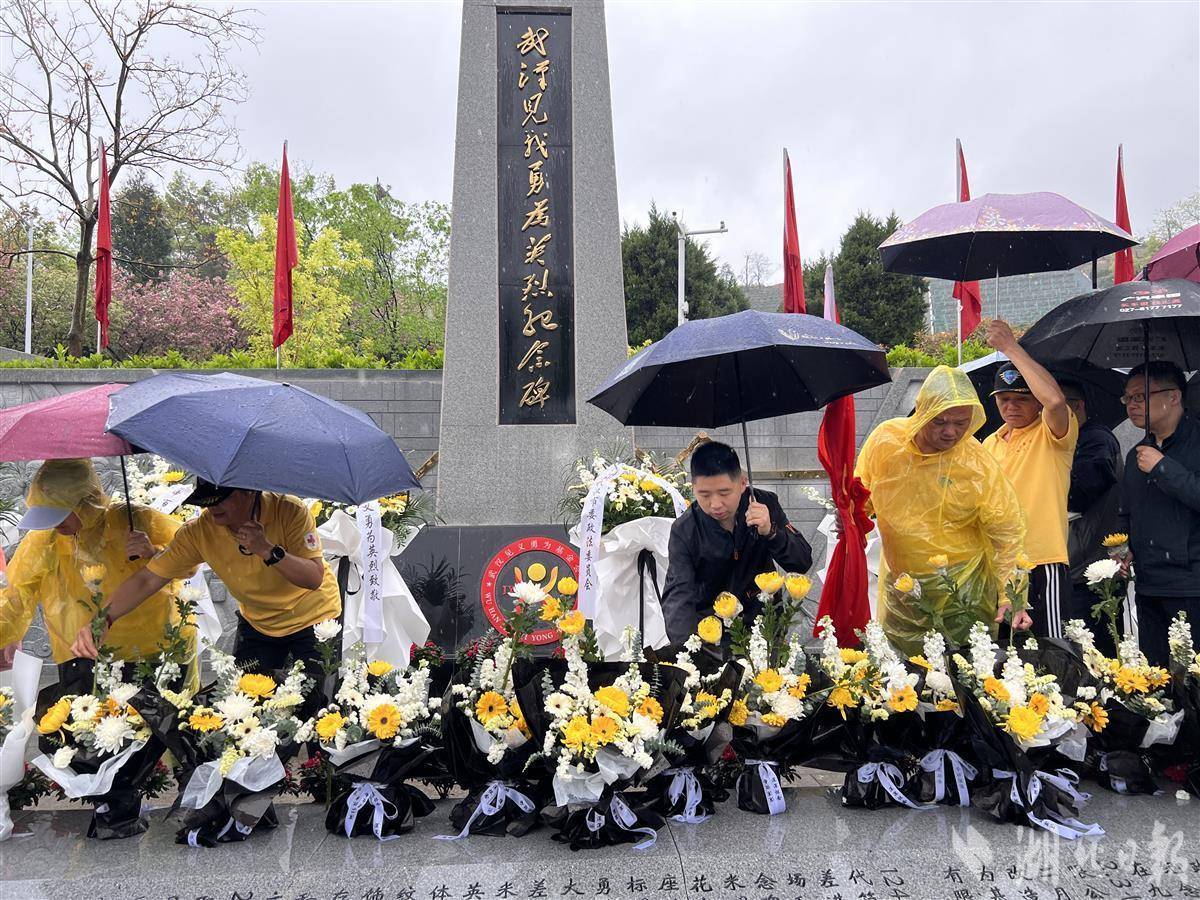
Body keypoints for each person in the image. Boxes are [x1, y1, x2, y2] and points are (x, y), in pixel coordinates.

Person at [73, 480, 341, 675]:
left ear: (248, 491)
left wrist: (267, 549)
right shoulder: (199, 531)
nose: (212, 511)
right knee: (249, 709)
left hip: (315, 619)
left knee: (319, 711)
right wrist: (102, 619)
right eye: (206, 502)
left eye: (221, 500)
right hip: (260, 625)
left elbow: (313, 577)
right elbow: (148, 579)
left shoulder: (290, 511)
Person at [855, 366, 1029, 655]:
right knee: (904, 684)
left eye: (961, 423)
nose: (951, 432)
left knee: (966, 680)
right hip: (903, 591)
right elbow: (862, 497)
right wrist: (848, 515)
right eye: (940, 421)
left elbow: (1006, 532)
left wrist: (1012, 594)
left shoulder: (976, 461)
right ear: (922, 412)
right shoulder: (886, 441)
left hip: (964, 593)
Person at [0, 458, 195, 676]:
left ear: (85, 502)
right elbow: (16, 595)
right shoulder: (45, 539)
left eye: (61, 514)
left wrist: (154, 552)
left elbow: (190, 560)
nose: (55, 523)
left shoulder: (135, 520)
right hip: (84, 653)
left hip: (156, 650)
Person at [982, 320, 1079, 640]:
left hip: (1042, 561)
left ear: (1035, 399)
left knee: (1054, 653)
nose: (1010, 406)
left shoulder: (1053, 433)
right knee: (1006, 658)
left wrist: (1010, 347)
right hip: (1000, 567)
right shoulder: (989, 443)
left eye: (1021, 398)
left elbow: (1055, 401)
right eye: (1003, 398)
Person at [661, 441, 812, 644]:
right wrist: (688, 652)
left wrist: (771, 532)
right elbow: (678, 596)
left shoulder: (764, 504)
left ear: (742, 483)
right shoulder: (685, 529)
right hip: (713, 637)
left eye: (724, 493)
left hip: (766, 627)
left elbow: (802, 561)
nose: (715, 504)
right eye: (704, 495)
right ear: (693, 487)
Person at [1118, 361, 1200, 666]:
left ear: (1174, 397)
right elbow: (1128, 512)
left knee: (1193, 678)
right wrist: (1124, 549)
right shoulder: (1136, 453)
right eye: (1128, 398)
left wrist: (1163, 467)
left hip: (1191, 584)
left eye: (1141, 396)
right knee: (1156, 678)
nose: (1133, 405)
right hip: (1148, 584)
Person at [1062, 379, 1124, 656]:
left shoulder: (1096, 440)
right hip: (1075, 563)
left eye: (1055, 405)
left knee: (1095, 652)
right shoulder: (1074, 440)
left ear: (1078, 406)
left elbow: (1079, 495)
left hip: (1088, 565)